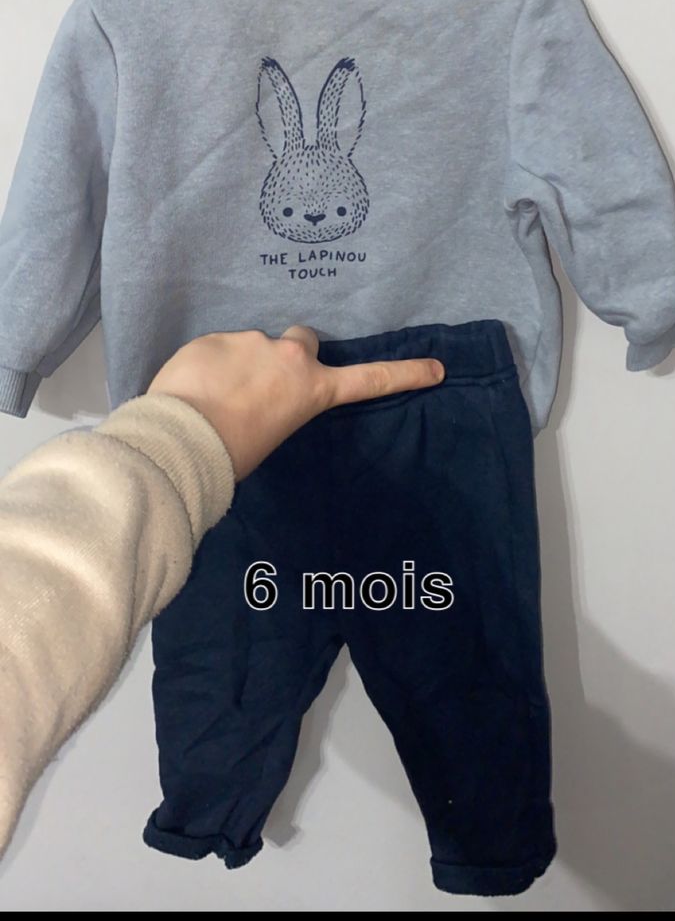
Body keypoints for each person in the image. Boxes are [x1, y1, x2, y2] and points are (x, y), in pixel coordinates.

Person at [0, 324, 444, 861]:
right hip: (226, 408)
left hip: (226, 396)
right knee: (458, 676)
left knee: (466, 693)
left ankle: (491, 834)